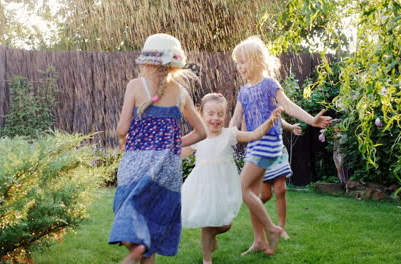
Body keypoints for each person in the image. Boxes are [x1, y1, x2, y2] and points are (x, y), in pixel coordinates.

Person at [108, 33, 207, 264]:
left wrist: (124, 139)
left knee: (125, 210)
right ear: (174, 64)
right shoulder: (181, 93)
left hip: (136, 164)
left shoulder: (135, 86)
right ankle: (143, 248)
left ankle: (135, 248)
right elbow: (201, 132)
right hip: (167, 171)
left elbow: (122, 129)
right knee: (152, 222)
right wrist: (173, 143)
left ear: (145, 60)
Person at [229, 36, 332, 255]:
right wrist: (227, 135)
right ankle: (259, 241)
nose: (239, 67)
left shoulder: (269, 84)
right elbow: (234, 120)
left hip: (268, 144)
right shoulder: (244, 91)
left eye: (243, 61)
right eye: (237, 63)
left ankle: (271, 229)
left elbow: (289, 106)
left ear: (257, 60)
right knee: (253, 195)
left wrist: (311, 120)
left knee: (242, 188)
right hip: (253, 146)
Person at [181, 93, 283, 264]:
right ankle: (207, 259)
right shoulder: (197, 137)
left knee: (225, 225)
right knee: (207, 223)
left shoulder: (229, 134)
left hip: (223, 187)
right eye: (211, 113)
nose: (216, 118)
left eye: (220, 114)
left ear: (225, 115)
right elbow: (180, 153)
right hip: (203, 187)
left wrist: (270, 120)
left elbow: (253, 135)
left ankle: (213, 235)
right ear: (201, 114)